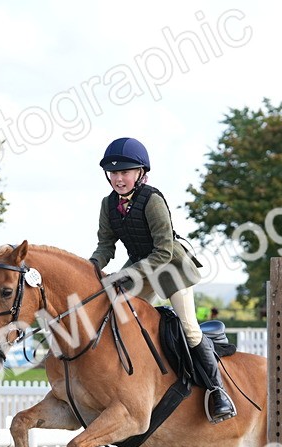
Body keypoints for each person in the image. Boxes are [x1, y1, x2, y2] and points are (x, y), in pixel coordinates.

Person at [90, 137, 235, 423]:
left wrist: (125, 274)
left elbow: (164, 251)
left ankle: (217, 391)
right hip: (141, 266)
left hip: (171, 268)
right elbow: (106, 245)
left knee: (189, 328)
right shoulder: (108, 205)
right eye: (114, 173)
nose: (118, 179)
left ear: (140, 173)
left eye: (125, 172)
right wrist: (91, 267)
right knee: (115, 316)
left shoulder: (152, 200)